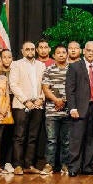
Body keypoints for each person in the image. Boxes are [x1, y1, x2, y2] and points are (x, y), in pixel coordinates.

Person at [9, 41, 46, 174]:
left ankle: (29, 165)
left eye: (32, 49)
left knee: (33, 136)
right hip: (21, 105)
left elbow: (45, 84)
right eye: (27, 49)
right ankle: (18, 165)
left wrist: (41, 98)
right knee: (19, 136)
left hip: (37, 105)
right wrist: (26, 101)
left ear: (35, 50)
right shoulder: (16, 64)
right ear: (22, 51)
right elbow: (13, 84)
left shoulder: (41, 65)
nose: (30, 51)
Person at [66, 41, 93, 176]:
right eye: (89, 50)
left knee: (91, 139)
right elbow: (70, 89)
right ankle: (74, 168)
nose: (91, 53)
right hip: (79, 109)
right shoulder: (75, 66)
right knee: (76, 139)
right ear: (84, 51)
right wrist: (72, 108)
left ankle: (87, 167)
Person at [41, 45, 71, 174]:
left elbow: (74, 88)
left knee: (66, 140)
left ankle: (65, 165)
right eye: (58, 52)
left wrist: (63, 101)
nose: (61, 55)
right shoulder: (48, 70)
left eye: (63, 52)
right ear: (54, 55)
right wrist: (56, 100)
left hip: (68, 110)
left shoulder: (72, 69)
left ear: (67, 54)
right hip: (51, 111)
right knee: (51, 140)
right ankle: (49, 165)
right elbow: (45, 88)